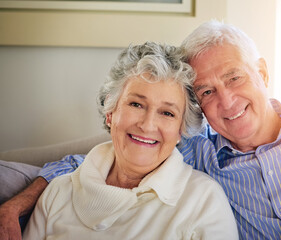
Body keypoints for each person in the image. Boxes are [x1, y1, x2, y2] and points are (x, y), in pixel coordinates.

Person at [1, 20, 281, 239]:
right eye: (207, 91)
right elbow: (98, 163)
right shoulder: (192, 149)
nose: (227, 100)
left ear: (262, 74)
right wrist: (15, 205)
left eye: (235, 77)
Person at [21, 42, 239, 239]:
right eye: (136, 104)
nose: (147, 125)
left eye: (167, 113)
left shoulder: (204, 201)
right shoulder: (58, 192)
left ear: (181, 130)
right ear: (110, 111)